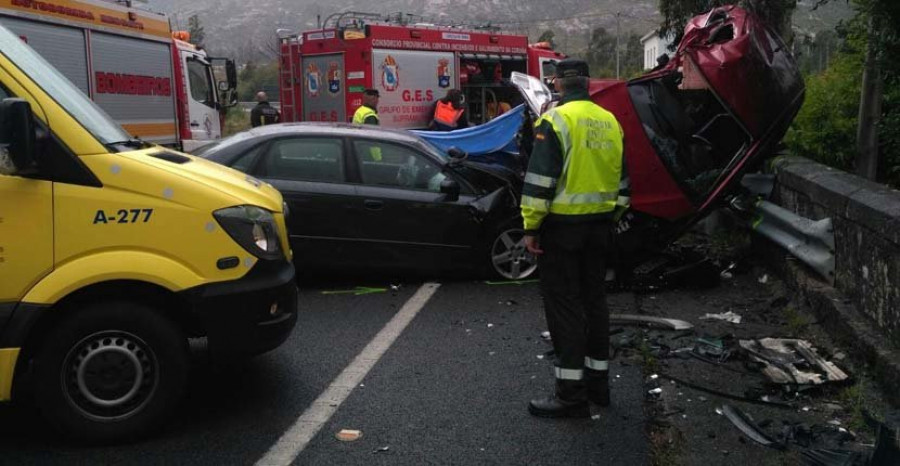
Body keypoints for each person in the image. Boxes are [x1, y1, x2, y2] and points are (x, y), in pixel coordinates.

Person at [520, 58, 625, 418]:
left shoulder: (555, 121)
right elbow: (623, 183)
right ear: (588, 82)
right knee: (595, 304)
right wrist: (612, 217)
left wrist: (531, 227)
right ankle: (599, 387)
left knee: (564, 308)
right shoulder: (610, 121)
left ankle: (570, 395)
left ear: (559, 85)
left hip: (563, 231)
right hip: (600, 229)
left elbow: (539, 184)